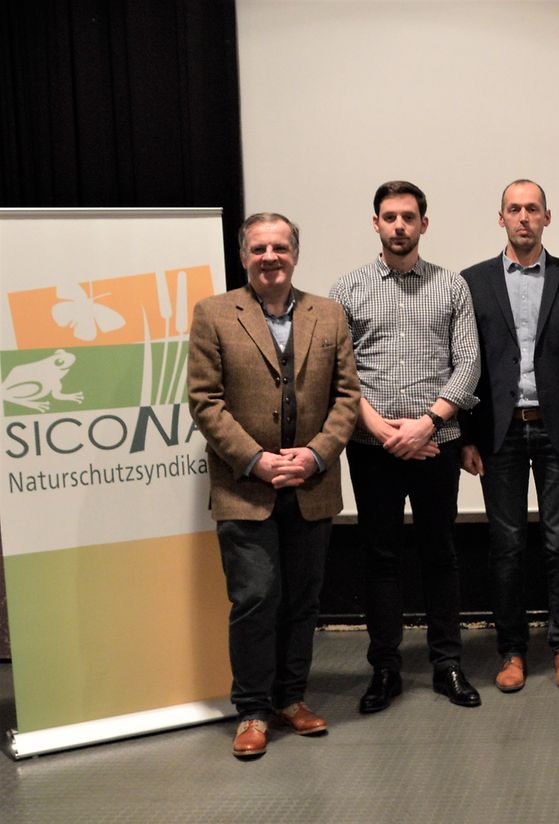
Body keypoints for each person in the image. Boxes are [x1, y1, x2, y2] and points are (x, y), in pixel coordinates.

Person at [188, 212, 360, 758]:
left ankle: (291, 698)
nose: (270, 257)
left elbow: (347, 397)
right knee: (256, 598)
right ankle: (253, 710)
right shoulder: (213, 313)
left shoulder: (328, 314)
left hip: (312, 484)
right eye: (259, 248)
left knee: (303, 600)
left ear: (295, 254)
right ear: (243, 256)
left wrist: (316, 455)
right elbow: (205, 401)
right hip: (245, 488)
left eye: (280, 247)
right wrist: (255, 461)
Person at [330, 181, 483, 711]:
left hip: (436, 444)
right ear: (376, 223)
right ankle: (385, 669)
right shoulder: (347, 289)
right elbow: (340, 371)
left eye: (409, 217)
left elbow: (468, 363)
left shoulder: (452, 286)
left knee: (440, 554)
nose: (399, 225)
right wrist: (382, 430)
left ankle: (448, 665)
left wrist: (426, 425)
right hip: (371, 447)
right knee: (381, 557)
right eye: (390, 216)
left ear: (424, 224)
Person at [460, 179, 559, 693]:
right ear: (501, 218)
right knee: (506, 546)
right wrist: (465, 437)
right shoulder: (472, 282)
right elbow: (464, 364)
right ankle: (512, 650)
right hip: (497, 434)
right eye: (514, 209)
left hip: (558, 431)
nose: (524, 217)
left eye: (533, 209)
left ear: (547, 217)